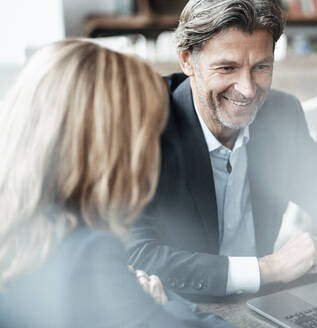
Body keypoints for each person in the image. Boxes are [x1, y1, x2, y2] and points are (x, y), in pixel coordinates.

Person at [127, 0, 317, 301]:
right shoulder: (143, 123)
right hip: (177, 307)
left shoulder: (280, 113)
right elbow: (137, 254)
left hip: (262, 302)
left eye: (260, 66)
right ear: (186, 60)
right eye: (227, 68)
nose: (247, 89)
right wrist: (268, 268)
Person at [0, 40, 233, 328]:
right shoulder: (90, 253)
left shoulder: (28, 232)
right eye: (148, 134)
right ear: (108, 145)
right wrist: (163, 305)